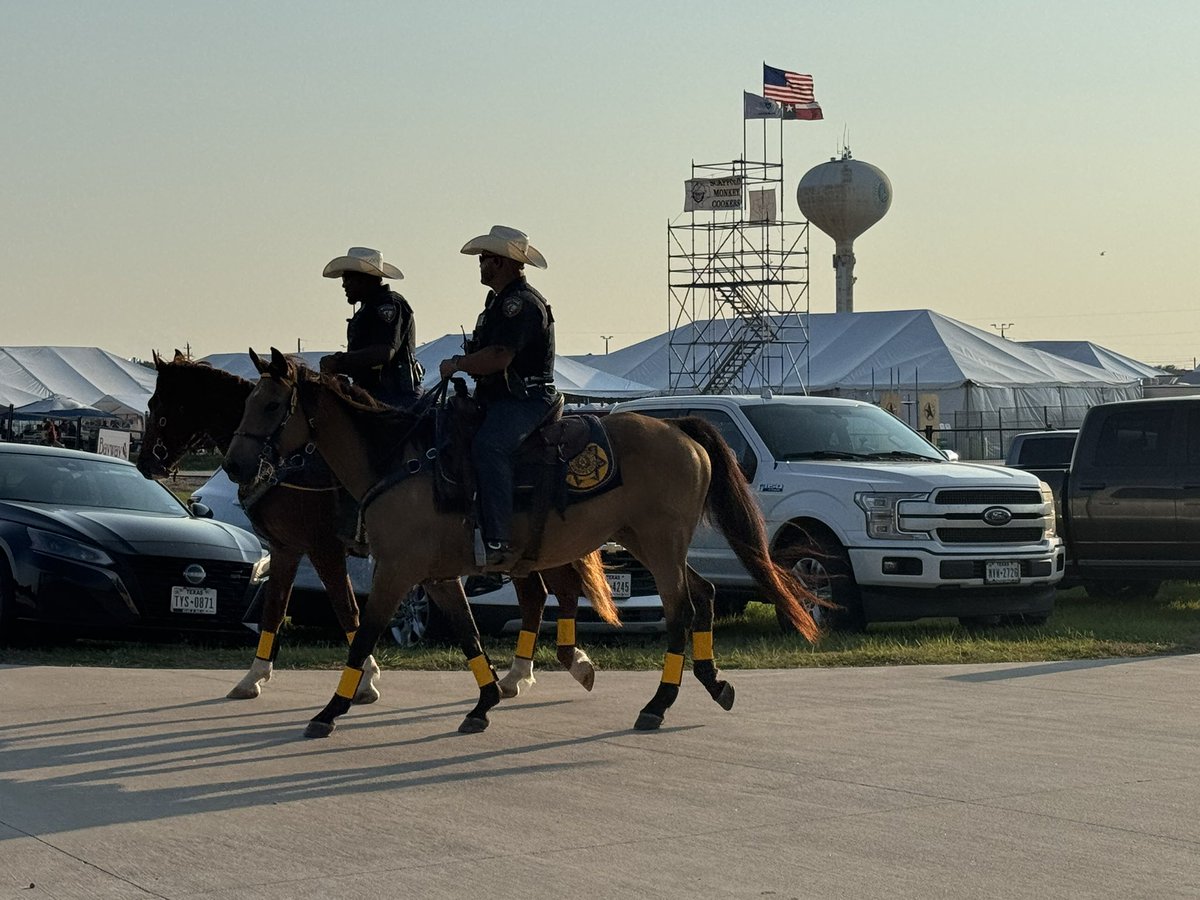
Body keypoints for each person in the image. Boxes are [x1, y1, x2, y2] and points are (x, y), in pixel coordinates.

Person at [439, 226, 556, 569]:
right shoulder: (499, 303)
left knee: (489, 446)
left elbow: (500, 357)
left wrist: (458, 364)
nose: (480, 264)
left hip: (527, 400)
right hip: (502, 398)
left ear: (503, 262)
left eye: (485, 258)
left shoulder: (519, 304)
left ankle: (498, 539)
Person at [319, 247, 422, 407]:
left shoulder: (388, 305)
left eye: (348, 278)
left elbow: (384, 352)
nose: (344, 285)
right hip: (372, 394)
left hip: (396, 399)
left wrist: (339, 361)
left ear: (364, 279)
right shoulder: (368, 308)